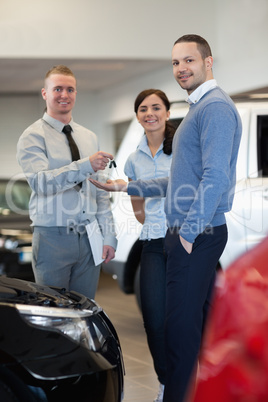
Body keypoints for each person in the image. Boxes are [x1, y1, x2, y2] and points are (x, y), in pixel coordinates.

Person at [89, 34, 242, 402]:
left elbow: (215, 177)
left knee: (179, 333)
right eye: (175, 62)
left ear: (208, 62)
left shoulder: (214, 108)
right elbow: (178, 181)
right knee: (192, 331)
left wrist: (187, 233)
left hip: (195, 233)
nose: (181, 68)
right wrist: (127, 187)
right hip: (193, 232)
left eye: (188, 60)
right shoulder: (200, 108)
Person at [17, 64, 117, 299]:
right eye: (58, 89)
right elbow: (41, 184)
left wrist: (109, 235)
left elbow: (100, 192)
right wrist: (85, 165)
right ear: (45, 93)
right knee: (53, 312)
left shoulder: (89, 137)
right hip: (52, 237)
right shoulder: (32, 136)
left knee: (86, 310)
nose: (64, 95)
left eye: (70, 89)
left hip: (90, 234)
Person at [125, 89, 175, 402]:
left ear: (168, 113)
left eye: (156, 107)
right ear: (138, 115)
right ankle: (166, 381)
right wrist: (153, 222)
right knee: (154, 319)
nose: (150, 113)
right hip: (153, 244)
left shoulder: (183, 149)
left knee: (186, 317)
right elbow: (137, 204)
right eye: (143, 108)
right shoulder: (134, 159)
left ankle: (189, 377)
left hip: (187, 240)